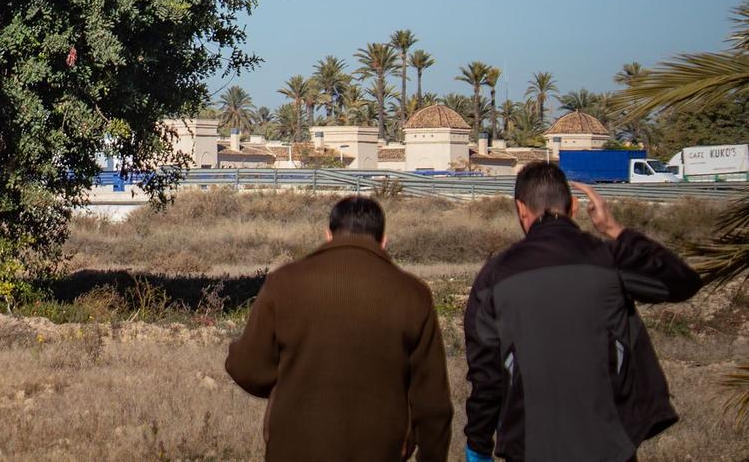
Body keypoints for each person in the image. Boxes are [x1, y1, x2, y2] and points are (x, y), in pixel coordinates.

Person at [463, 161, 703, 462]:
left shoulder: (494, 276)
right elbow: (684, 282)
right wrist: (615, 230)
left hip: (530, 446)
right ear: (574, 206)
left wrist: (478, 444)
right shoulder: (608, 258)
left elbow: (486, 376)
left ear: (521, 209)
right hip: (610, 444)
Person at [226, 194, 453, 461]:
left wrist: (290, 382)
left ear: (328, 235)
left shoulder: (284, 283)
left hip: (294, 449)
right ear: (383, 241)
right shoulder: (413, 294)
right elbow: (433, 405)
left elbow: (247, 368)